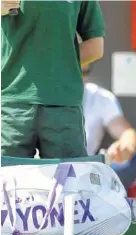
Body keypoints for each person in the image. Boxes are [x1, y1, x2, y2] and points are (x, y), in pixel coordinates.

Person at [1, 0, 105, 158]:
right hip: (15, 105)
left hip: (59, 107)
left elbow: (95, 47)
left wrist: (54, 62)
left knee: (68, 181)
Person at [82, 64, 136, 189]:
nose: (79, 77)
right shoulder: (40, 95)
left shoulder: (99, 97)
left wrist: (124, 146)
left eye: (85, 72)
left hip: (86, 173)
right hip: (46, 169)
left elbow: (126, 132)